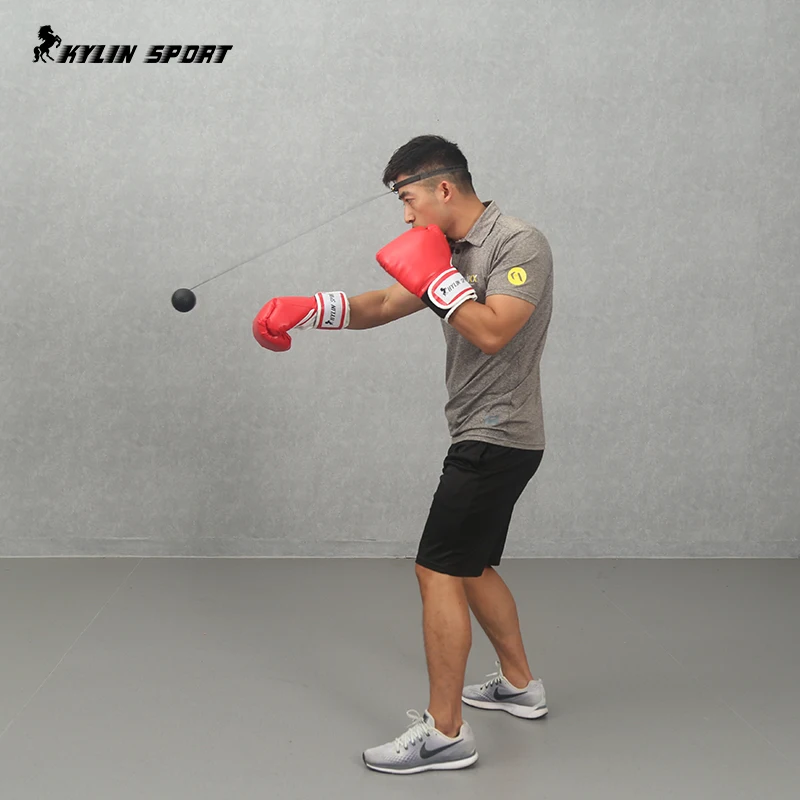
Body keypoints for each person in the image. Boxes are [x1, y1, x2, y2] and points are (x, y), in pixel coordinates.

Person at [252, 135, 554, 775]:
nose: (406, 213)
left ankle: (446, 734)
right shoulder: (446, 250)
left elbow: (495, 331)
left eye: (408, 197)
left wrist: (438, 280)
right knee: (470, 566)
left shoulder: (518, 243)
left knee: (436, 569)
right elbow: (387, 302)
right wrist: (307, 310)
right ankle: (520, 686)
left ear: (444, 187)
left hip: (497, 433)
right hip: (486, 432)